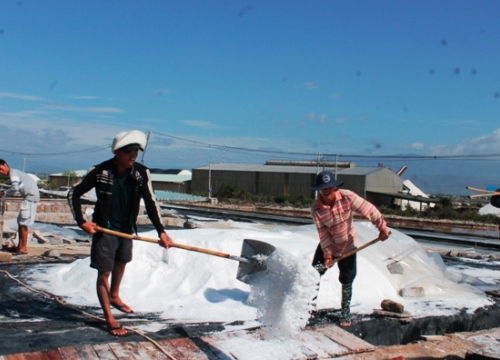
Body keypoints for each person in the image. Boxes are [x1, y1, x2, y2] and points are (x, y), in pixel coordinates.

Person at [68, 130, 174, 337]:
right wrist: (82, 222)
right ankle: (109, 317)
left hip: (126, 230)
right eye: (128, 152)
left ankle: (114, 295)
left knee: (122, 262)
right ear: (117, 152)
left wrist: (162, 232)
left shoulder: (141, 173)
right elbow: (74, 193)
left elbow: (151, 203)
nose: (133, 155)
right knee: (104, 272)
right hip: (105, 229)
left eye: (136, 151)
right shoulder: (101, 172)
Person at [310, 170, 390, 327]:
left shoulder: (348, 197)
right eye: (323, 188)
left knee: (347, 279)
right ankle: (308, 308)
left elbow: (370, 210)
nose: (326, 191)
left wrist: (382, 228)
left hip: (348, 246)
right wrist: (327, 255)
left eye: (329, 187)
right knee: (315, 273)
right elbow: (323, 234)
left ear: (334, 187)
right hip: (329, 246)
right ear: (319, 189)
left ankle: (345, 313)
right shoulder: (316, 210)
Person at [0, 160, 40, 255]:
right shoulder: (15, 173)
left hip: (30, 198)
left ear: (6, 165)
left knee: (23, 223)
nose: (1, 172)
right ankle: (20, 246)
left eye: (1, 169)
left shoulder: (13, 174)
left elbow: (15, 188)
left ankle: (23, 248)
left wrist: (3, 193)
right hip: (29, 198)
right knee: (21, 222)